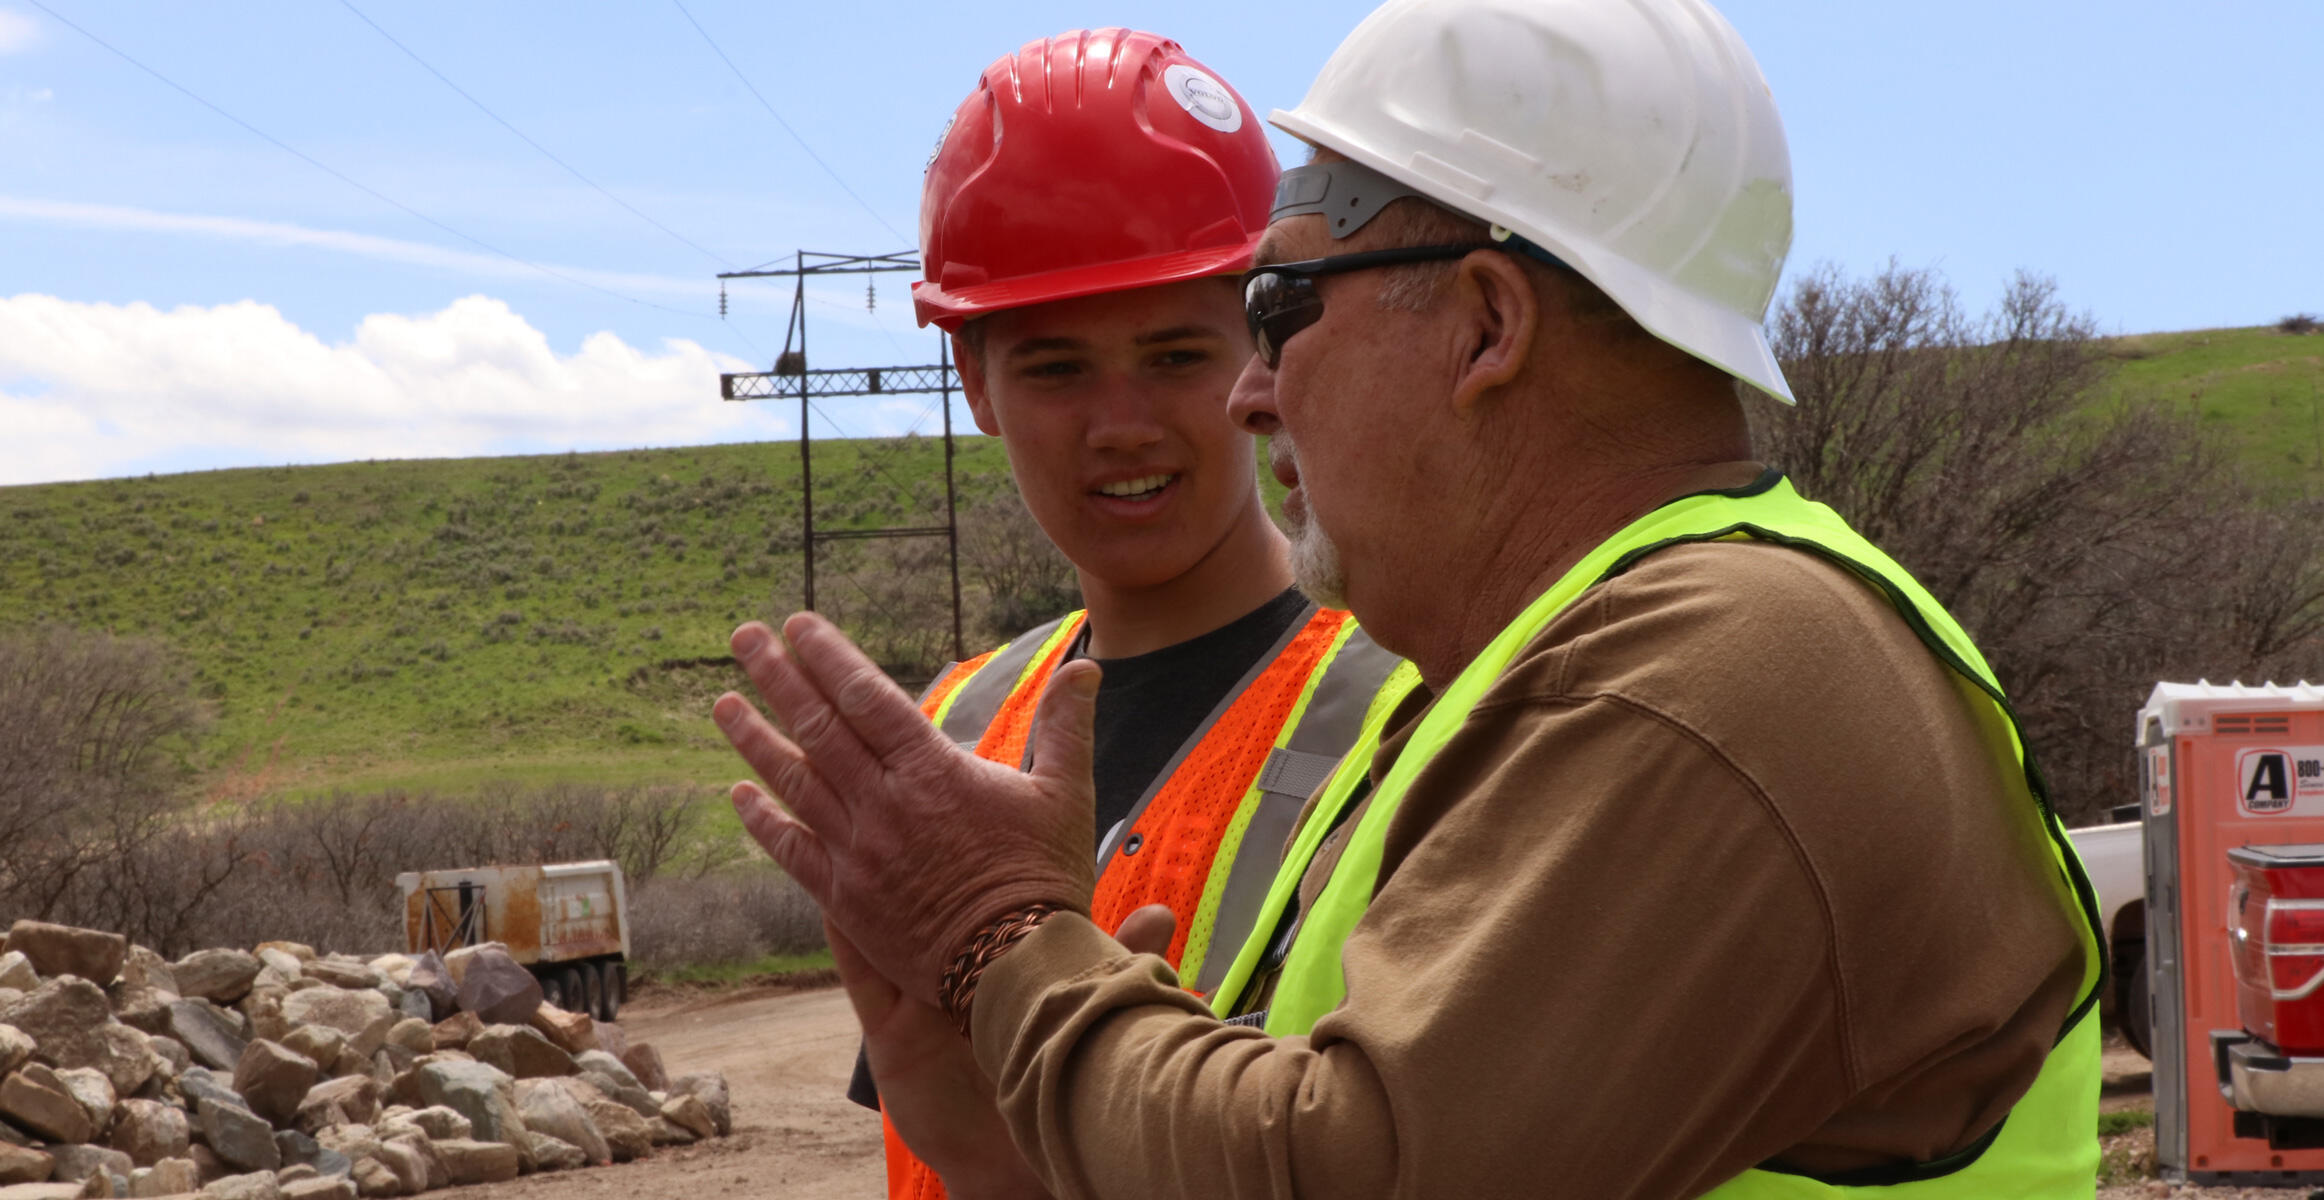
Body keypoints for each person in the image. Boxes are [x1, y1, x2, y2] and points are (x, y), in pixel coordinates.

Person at [715, 0, 2105, 1196]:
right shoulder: (1524, 687)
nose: (1252, 395)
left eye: (1277, 309)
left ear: (1488, 324)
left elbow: (1350, 1172)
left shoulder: (1716, 676)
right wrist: (987, 1129)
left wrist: (1001, 939)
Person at [847, 28, 1406, 1200]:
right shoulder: (952, 727)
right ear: (972, 387)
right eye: (1054, 369)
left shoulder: (1411, 701)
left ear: (1263, 349)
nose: (1121, 424)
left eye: (1171, 354)